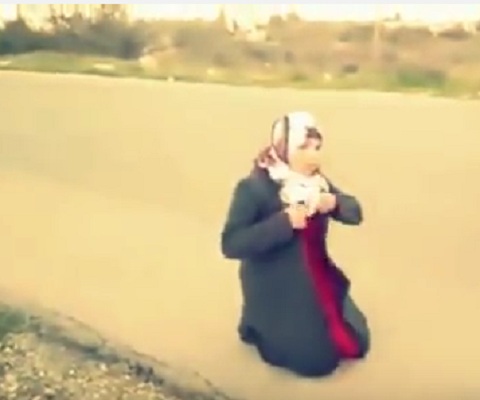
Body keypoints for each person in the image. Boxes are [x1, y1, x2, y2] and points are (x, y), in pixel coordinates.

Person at [220, 111, 371, 377]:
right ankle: (257, 322)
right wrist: (284, 223)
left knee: (355, 343)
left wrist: (334, 203)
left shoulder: (316, 183)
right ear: (284, 148)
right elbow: (231, 244)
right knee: (317, 362)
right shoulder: (253, 188)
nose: (313, 156)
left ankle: (264, 321)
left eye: (317, 147)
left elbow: (355, 213)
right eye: (303, 147)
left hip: (316, 273)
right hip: (275, 284)